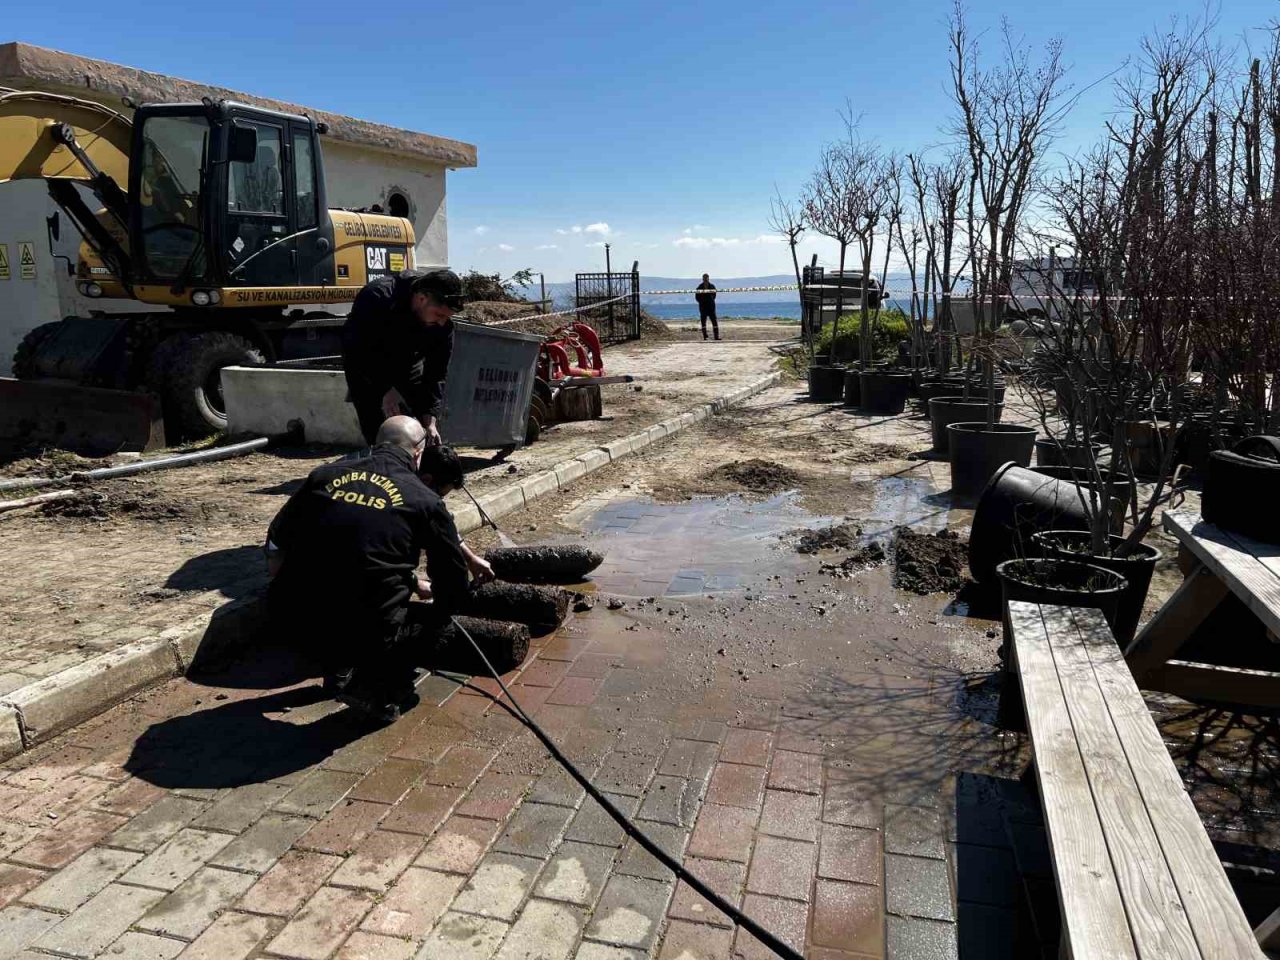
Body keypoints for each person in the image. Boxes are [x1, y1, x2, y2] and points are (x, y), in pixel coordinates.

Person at [264, 416, 492, 721]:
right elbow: (451, 580)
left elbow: (278, 540)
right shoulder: (423, 499)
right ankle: (373, 688)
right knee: (428, 619)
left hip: (290, 618)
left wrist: (287, 586)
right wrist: (443, 607)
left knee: (342, 592)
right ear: (418, 453)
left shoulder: (323, 476)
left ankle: (338, 665)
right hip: (363, 622)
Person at [341, 269, 465, 446]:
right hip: (365, 362)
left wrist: (430, 418)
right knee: (380, 428)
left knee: (422, 424)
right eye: (439, 315)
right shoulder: (378, 297)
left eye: (447, 317)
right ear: (422, 298)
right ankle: (381, 454)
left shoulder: (442, 325)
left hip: (408, 361)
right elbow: (358, 352)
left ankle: (421, 456)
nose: (442, 322)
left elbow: (436, 373)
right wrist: (386, 389)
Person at [695, 273, 720, 341]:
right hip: (703, 307)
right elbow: (697, 297)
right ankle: (705, 336)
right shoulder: (699, 287)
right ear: (702, 279)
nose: (705, 279)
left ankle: (716, 336)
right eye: (704, 278)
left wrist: (710, 301)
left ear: (708, 278)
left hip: (711, 307)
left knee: (714, 321)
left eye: (707, 278)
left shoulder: (712, 286)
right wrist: (702, 302)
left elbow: (714, 295)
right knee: (703, 322)